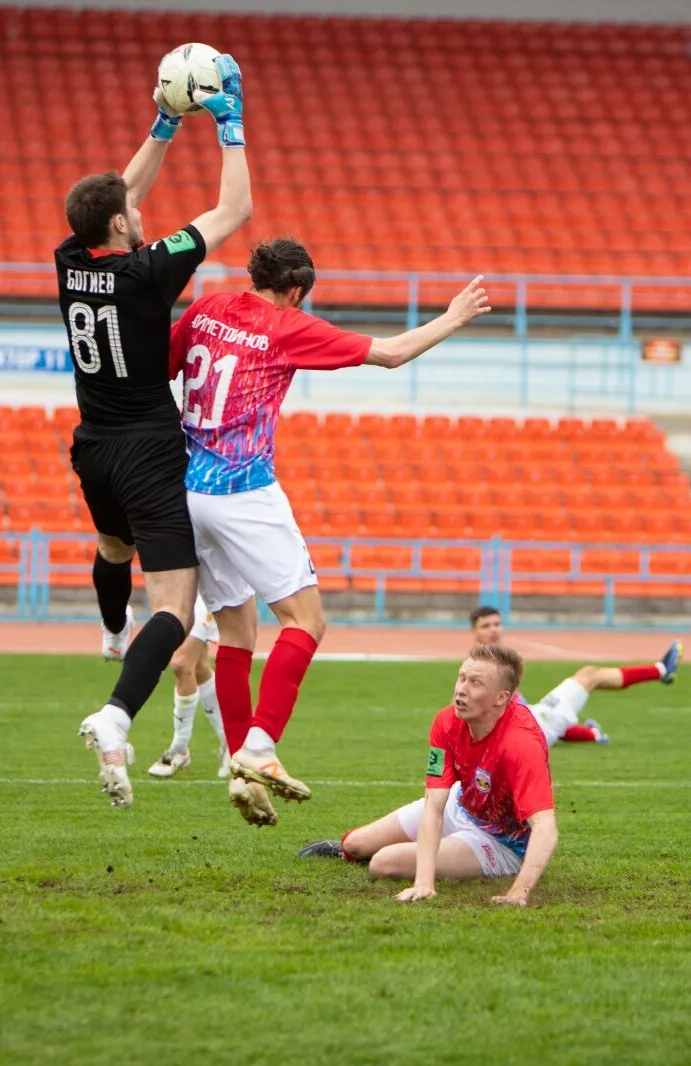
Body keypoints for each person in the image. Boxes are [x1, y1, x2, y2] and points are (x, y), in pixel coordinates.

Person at [167, 236, 490, 826]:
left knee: (236, 632)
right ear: (295, 291)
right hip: (244, 491)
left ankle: (242, 757)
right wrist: (452, 316)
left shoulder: (205, 308)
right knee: (306, 620)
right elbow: (390, 354)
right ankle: (260, 748)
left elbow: (163, 372)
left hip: (187, 491)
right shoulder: (286, 326)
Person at [68, 54, 253, 809]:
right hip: (148, 447)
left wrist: (165, 125)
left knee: (114, 549)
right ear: (121, 225)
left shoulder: (70, 260)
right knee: (176, 606)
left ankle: (110, 630)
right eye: (130, 211)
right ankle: (116, 716)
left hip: (92, 447)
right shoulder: (148, 270)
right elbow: (232, 213)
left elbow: (118, 193)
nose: (139, 210)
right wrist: (228, 124)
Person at [302, 644, 559, 906]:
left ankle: (446, 851)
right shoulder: (446, 722)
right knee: (355, 844)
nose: (461, 689)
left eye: (475, 683)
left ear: (501, 697)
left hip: (500, 842)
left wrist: (518, 892)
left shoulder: (520, 743)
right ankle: (397, 849)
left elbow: (546, 827)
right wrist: (424, 882)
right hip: (462, 804)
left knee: (382, 863)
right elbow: (434, 806)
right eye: (461, 677)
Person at [468, 605, 682, 746]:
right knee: (590, 675)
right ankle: (661, 670)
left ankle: (593, 734)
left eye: (497, 624)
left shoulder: (493, 660)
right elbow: (466, 709)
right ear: (475, 632)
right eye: (486, 626)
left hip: (532, 721)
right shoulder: (482, 665)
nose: (494, 630)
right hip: (531, 728)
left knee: (582, 682)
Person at [147, 595, 230, 779]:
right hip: (181, 588)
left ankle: (179, 748)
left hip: (207, 589)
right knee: (199, 667)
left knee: (181, 664)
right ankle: (231, 742)